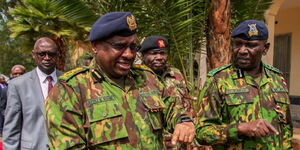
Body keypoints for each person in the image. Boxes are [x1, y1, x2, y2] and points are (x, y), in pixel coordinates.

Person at [45, 12, 195, 149]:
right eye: (119, 46)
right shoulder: (70, 90)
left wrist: (183, 121)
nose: (129, 55)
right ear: (96, 46)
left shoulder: (146, 78)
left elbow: (173, 109)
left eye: (133, 47)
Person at [196, 20, 293, 149]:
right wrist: (240, 129)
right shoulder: (218, 80)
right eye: (238, 44)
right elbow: (201, 132)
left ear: (265, 48)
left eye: (250, 45)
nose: (242, 50)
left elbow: (286, 128)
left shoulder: (277, 78)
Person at [3, 37, 63, 150]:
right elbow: (11, 129)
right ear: (34, 54)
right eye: (42, 54)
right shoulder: (18, 85)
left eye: (51, 54)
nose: (47, 58)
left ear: (57, 55)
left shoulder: (69, 81)